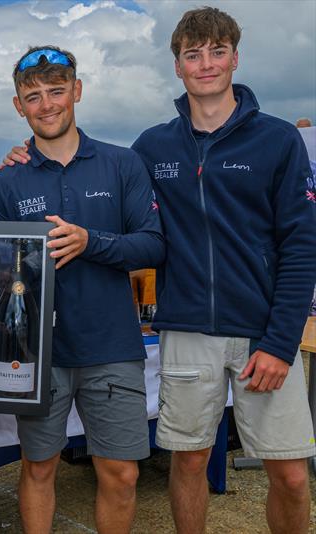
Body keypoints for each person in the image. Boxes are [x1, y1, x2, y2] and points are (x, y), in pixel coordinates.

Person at [131, 8, 316, 534]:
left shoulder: (279, 140)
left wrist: (281, 343)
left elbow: (301, 246)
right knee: (188, 461)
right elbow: (103, 185)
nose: (205, 63)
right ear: (177, 66)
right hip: (188, 331)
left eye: (216, 52)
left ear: (235, 58)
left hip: (264, 334)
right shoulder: (153, 146)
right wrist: (26, 157)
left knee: (291, 474)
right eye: (193, 54)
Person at [0, 46, 164, 534]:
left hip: (111, 345)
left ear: (77, 92)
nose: (46, 104)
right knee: (39, 466)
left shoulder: (122, 164)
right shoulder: (6, 182)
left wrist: (91, 242)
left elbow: (153, 245)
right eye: (33, 96)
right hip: (36, 353)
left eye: (56, 91)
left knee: (121, 471)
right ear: (19, 105)